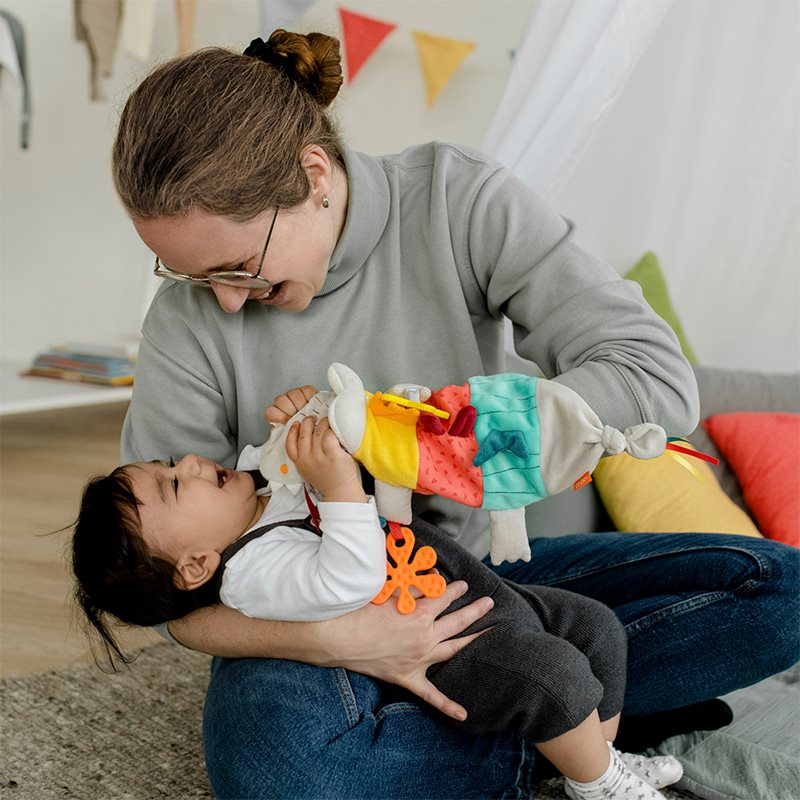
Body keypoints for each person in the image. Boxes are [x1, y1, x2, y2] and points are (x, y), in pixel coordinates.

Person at [109, 29, 799, 799]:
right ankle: (568, 738)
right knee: (280, 771)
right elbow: (172, 590)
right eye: (190, 274)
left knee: (780, 592)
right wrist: (350, 641)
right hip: (316, 627)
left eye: (237, 268)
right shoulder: (187, 320)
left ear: (312, 176)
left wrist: (456, 434)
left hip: (483, 582)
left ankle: (507, 728)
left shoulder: (456, 200)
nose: (225, 300)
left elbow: (655, 377)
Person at [73, 412, 683, 800]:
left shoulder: (259, 495)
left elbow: (288, 453)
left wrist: (301, 421)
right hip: (441, 638)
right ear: (196, 566)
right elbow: (346, 578)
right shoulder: (252, 575)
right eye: (175, 484)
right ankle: (601, 783)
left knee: (595, 626)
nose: (191, 462)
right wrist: (337, 486)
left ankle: (599, 766)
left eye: (167, 464)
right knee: (548, 677)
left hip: (461, 583)